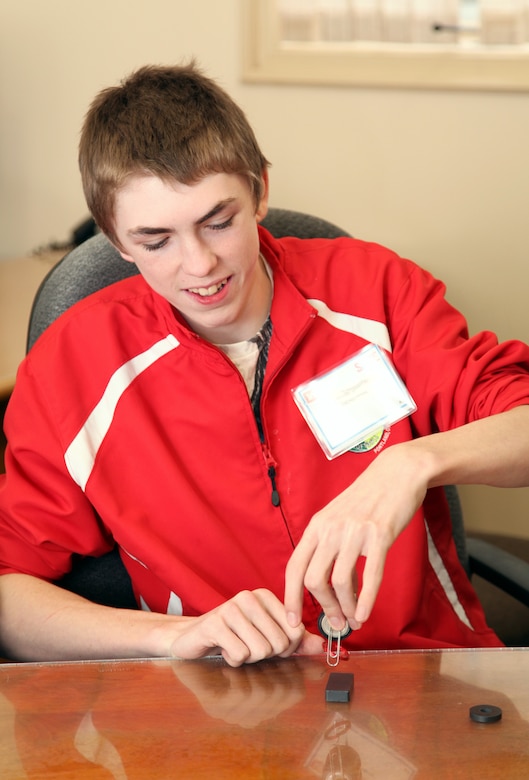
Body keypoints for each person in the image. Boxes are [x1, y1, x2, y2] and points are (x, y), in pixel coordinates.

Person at [1, 62, 529, 666]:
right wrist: (172, 638)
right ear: (116, 240)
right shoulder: (74, 366)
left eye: (218, 222)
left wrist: (412, 464)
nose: (199, 265)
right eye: (156, 241)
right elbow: (10, 591)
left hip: (420, 676)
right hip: (215, 703)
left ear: (260, 192)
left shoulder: (377, 292)